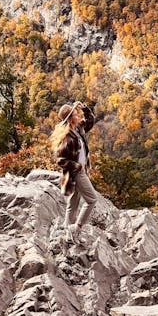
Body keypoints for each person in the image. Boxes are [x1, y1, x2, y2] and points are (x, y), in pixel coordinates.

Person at [51, 99, 99, 243]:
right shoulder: (67, 137)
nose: (79, 116)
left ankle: (68, 234)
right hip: (76, 173)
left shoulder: (78, 129)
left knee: (73, 203)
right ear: (71, 118)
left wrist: (83, 108)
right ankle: (76, 228)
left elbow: (90, 120)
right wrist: (77, 167)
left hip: (81, 170)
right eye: (76, 114)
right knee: (92, 200)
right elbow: (60, 160)